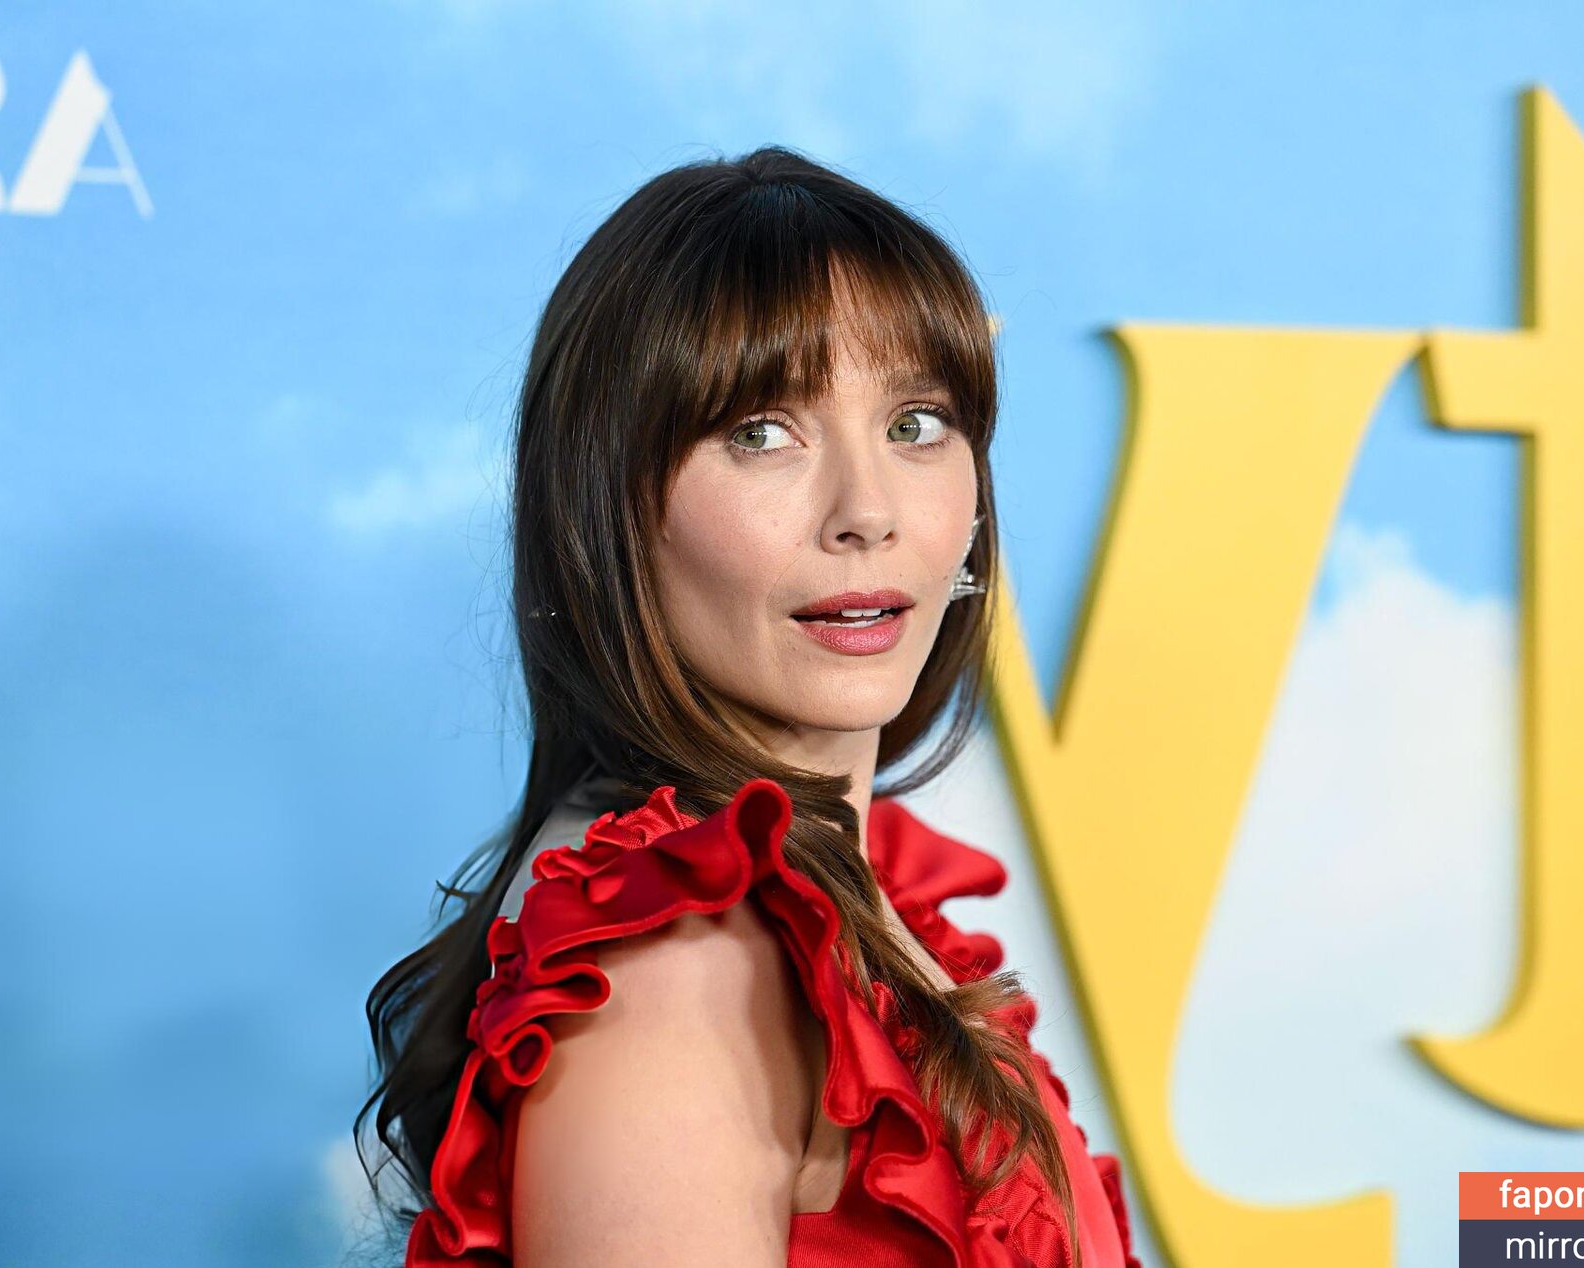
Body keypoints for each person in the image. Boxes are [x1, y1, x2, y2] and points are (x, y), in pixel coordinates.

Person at [355, 145, 1143, 1268]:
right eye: (761, 432)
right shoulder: (677, 969)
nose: (867, 510)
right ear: (609, 513)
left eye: (917, 423)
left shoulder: (851, 898)